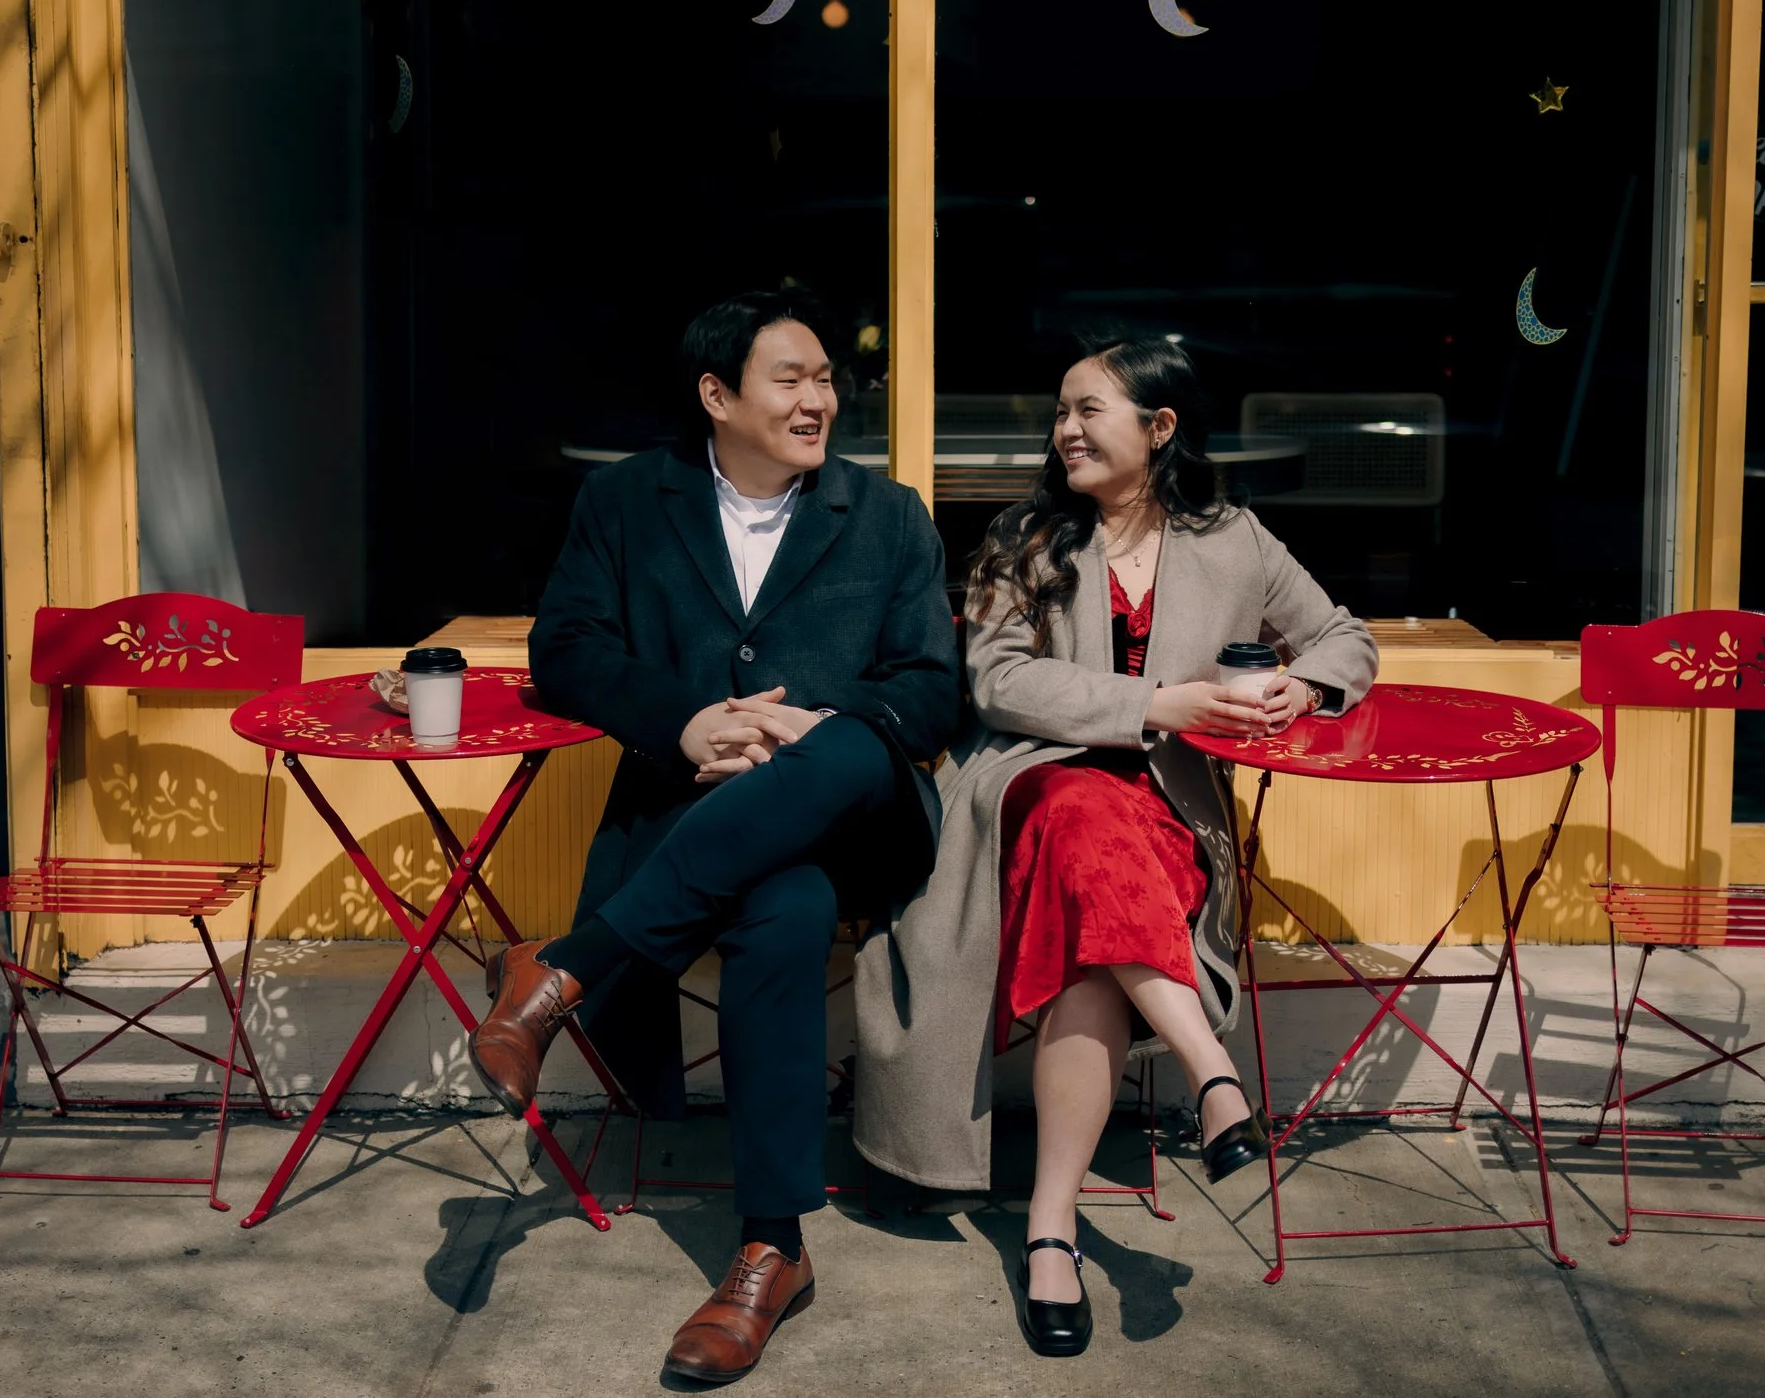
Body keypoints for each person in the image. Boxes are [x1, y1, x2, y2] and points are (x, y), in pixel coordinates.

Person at [851, 337, 1377, 1358]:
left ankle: (1051, 1230)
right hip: (1030, 792)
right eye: (1059, 413)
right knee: (1079, 817)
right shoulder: (1025, 535)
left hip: (1166, 815)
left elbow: (1343, 637)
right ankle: (1208, 1074)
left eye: (1089, 410)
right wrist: (1156, 703)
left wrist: (1299, 686)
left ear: (1159, 428)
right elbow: (996, 684)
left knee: (1094, 939)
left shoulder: (1234, 539)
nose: (1066, 431)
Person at [471, 285, 958, 1385]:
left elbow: (932, 692)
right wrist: (685, 720)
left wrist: (808, 728)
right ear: (715, 394)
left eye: (828, 379)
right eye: (791, 378)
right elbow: (569, 651)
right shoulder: (628, 503)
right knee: (779, 915)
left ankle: (566, 970)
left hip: (855, 821)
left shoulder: (888, 518)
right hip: (695, 817)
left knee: (837, 750)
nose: (819, 399)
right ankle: (772, 1249)